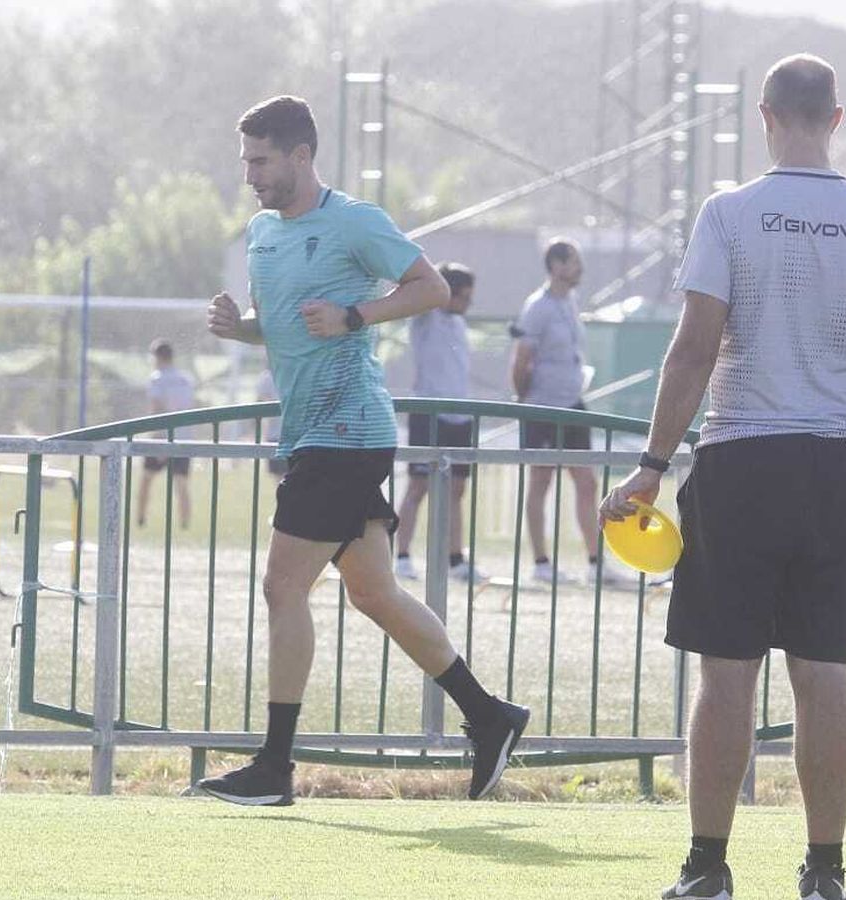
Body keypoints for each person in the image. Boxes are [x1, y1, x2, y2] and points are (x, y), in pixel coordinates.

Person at [600, 54, 846, 900]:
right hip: (840, 464)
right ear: (837, 119)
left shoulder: (731, 213)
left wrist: (648, 466)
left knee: (727, 672)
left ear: (766, 115)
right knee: (824, 672)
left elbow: (695, 348)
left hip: (743, 457)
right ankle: (824, 874)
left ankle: (707, 868)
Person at [199, 95, 529, 806]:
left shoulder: (353, 221)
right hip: (320, 434)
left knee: (282, 588)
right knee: (375, 593)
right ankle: (491, 716)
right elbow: (287, 327)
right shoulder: (261, 232)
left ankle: (274, 769)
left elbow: (432, 288)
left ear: (300, 156)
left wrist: (357, 313)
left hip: (345, 433)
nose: (251, 174)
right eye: (246, 160)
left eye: (261, 160)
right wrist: (242, 330)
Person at [510, 238, 635, 587]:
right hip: (542, 407)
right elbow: (521, 360)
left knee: (586, 480)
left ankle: (596, 563)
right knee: (541, 479)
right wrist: (526, 400)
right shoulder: (537, 307)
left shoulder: (570, 301)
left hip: (572, 405)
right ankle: (541, 563)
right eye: (574, 262)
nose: (580, 268)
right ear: (557, 266)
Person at [394, 262, 487, 584]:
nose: (467, 304)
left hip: (459, 415)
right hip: (428, 412)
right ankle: (402, 556)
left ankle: (455, 559)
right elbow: (412, 280)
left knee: (456, 490)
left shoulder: (459, 324)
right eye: (463, 296)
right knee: (418, 486)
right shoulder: (426, 318)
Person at [136, 338, 195, 529]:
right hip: (184, 437)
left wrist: (158, 438)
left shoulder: (157, 378)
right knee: (182, 482)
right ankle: (185, 523)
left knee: (146, 478)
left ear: (157, 357)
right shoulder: (186, 379)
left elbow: (157, 410)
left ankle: (140, 518)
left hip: (162, 437)